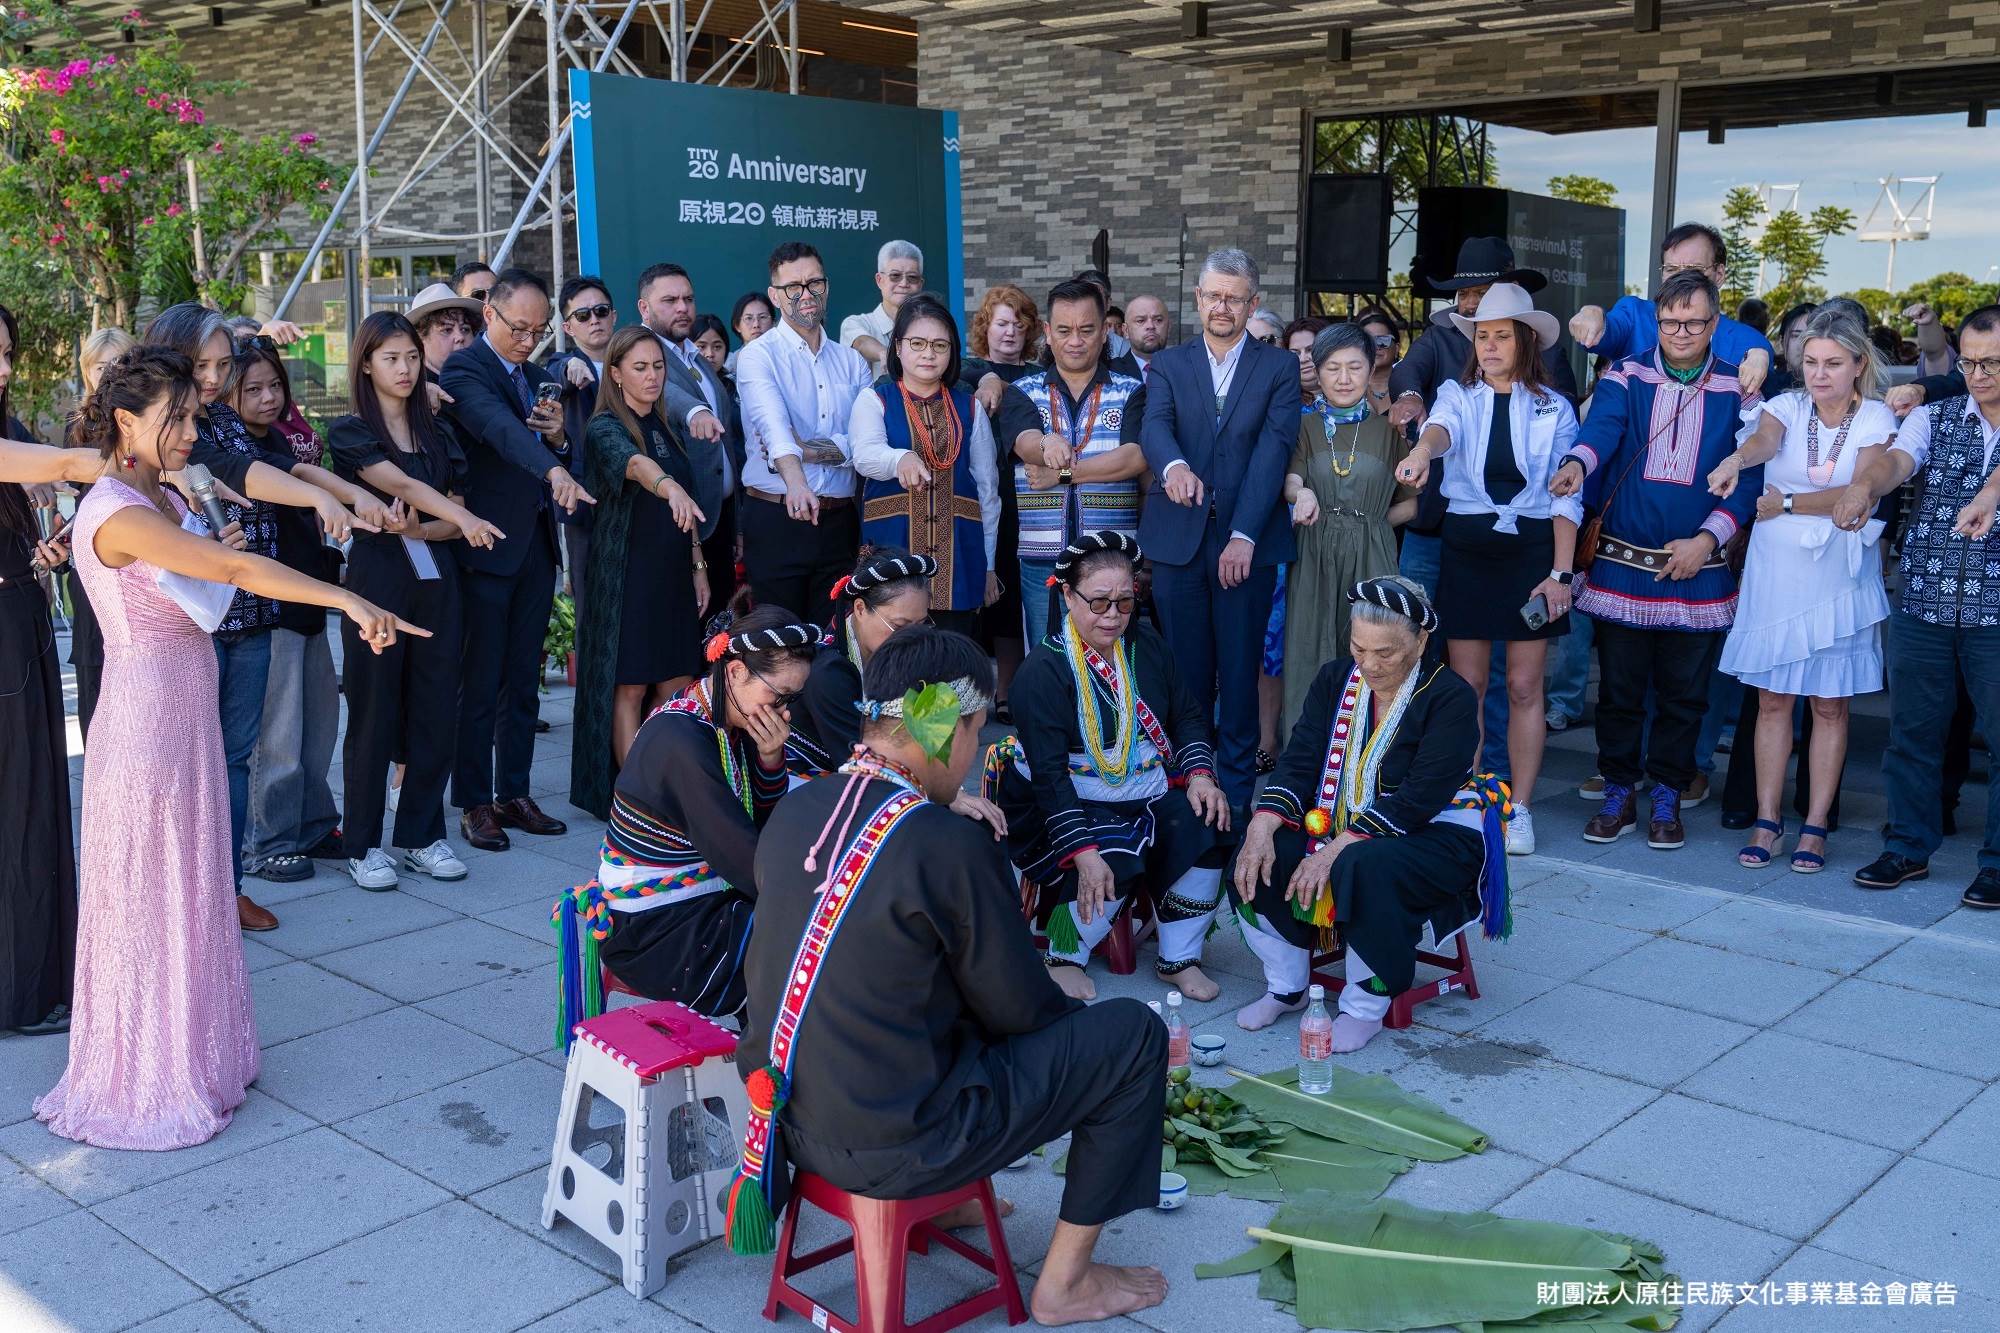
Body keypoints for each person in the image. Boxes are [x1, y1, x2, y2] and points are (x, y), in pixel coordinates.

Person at [729, 625, 1170, 1325]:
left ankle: (960, 1196)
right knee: (1132, 1036)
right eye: (976, 730)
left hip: (783, 1121)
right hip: (897, 1142)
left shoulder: (800, 807)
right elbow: (1019, 1011)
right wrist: (1073, 1027)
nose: (977, 751)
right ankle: (1065, 1284)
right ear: (946, 725)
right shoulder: (945, 841)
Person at [37, 345, 421, 1150]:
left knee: (195, 885)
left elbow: (210, 567)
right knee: (153, 897)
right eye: (175, 420)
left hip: (183, 711)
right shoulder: (119, 510)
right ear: (125, 423)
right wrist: (345, 594)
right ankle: (145, 1074)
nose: (189, 433)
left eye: (192, 417)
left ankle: (198, 1054)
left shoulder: (161, 492)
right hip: (145, 725)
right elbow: (227, 567)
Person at [145, 302, 375, 933]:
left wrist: (326, 490)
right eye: (205, 364)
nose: (216, 377)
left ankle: (228, 886)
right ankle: (186, 892)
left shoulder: (217, 416)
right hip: (185, 614)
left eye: (224, 363)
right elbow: (237, 473)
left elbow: (267, 463)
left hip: (245, 607)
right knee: (187, 762)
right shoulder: (155, 424)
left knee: (237, 756)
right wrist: (321, 493)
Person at [1231, 577, 1502, 1048]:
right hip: (1341, 821)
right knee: (1257, 849)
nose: (1370, 665)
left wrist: (1335, 849)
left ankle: (1365, 1002)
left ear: (1420, 642)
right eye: (1359, 649)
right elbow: (1299, 761)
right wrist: (1262, 821)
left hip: (1435, 834)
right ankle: (1287, 985)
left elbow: (1419, 797)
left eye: (1386, 653)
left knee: (1362, 862)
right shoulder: (1336, 678)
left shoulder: (1450, 697)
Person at [1552, 270, 1761, 850]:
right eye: (1671, 322)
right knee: (1618, 692)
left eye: (1694, 322)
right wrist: (1577, 465)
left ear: (1715, 323)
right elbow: (1602, 431)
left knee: (1684, 695)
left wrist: (1707, 541)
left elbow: (1749, 478)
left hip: (1700, 570)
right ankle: (1619, 790)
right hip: (1622, 564)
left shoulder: (1738, 391)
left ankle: (1668, 793)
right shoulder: (1626, 373)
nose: (1682, 333)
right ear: (1658, 320)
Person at [991, 531, 1234, 1002]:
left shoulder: (1146, 645)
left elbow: (1185, 713)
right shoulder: (1042, 671)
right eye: (1099, 603)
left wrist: (1201, 775)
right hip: (1060, 800)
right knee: (1112, 853)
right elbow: (1048, 776)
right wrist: (1081, 851)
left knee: (1206, 824)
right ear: (1066, 595)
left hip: (1141, 785)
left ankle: (1180, 956)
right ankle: (1063, 954)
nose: (1113, 616)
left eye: (1125, 603)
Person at [551, 607, 820, 1025]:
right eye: (780, 695)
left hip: (700, 901)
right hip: (654, 930)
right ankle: (769, 1070)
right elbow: (749, 864)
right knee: (807, 949)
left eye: (794, 699)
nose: (786, 712)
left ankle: (770, 1064)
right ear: (734, 673)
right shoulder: (681, 738)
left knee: (802, 931)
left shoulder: (727, 718)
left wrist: (770, 759)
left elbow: (757, 829)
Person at [1394, 283, 1581, 856]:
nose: (1490, 345)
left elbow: (1567, 497)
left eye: (1502, 335)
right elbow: (1440, 428)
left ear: (1526, 341)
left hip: (1530, 553)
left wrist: (1562, 575)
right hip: (1468, 549)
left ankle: (1518, 809)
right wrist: (1423, 452)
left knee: (1524, 686)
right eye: (1482, 335)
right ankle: (1467, 799)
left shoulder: (1556, 408)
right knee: (1466, 684)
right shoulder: (1459, 393)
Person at [1708, 311, 1894, 871]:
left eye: (1833, 363)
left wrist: (1783, 503)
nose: (1819, 373)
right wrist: (1738, 459)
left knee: (1831, 705)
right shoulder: (1785, 407)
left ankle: (1815, 825)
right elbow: (1767, 440)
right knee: (1771, 702)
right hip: (1777, 572)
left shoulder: (1878, 416)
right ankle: (1768, 820)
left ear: (1859, 365)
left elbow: (1855, 492)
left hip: (1838, 572)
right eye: (1811, 362)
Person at [1834, 304, 2000, 908]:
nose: (1978, 375)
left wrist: (1988, 492)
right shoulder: (1934, 416)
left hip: (1996, 612)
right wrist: (1864, 483)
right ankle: (1906, 846)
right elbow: (1897, 461)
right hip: (1926, 602)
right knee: (1913, 735)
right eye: (1971, 362)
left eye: (1992, 364)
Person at [329, 312, 502, 890]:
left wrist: (433, 527)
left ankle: (422, 836)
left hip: (436, 581)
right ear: (366, 364)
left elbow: (443, 519)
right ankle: (361, 845)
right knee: (374, 713)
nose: (403, 369)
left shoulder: (438, 431)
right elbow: (401, 486)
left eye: (409, 356)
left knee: (435, 711)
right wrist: (460, 516)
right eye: (390, 358)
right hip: (378, 583)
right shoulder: (350, 431)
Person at [1139, 247, 1299, 811]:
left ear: (1252, 302)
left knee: (1238, 676)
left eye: (1234, 297)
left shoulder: (1278, 368)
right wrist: (1174, 466)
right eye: (1212, 296)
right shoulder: (1170, 364)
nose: (1222, 307)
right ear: (1198, 300)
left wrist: (1245, 536)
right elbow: (1154, 426)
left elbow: (1272, 453)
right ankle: (1186, 793)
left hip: (1245, 544)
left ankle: (1232, 800)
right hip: (1177, 540)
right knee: (1184, 677)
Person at [439, 268, 593, 854]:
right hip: (485, 545)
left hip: (534, 544)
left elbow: (554, 444)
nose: (529, 341)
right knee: (481, 682)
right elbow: (499, 431)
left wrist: (558, 443)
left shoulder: (536, 376)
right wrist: (552, 466)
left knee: (525, 681)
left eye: (539, 330)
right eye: (519, 328)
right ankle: (475, 802)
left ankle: (515, 792)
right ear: (489, 316)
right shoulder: (465, 369)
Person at [569, 326, 711, 818]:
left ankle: (667, 784)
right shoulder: (606, 425)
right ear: (615, 374)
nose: (652, 377)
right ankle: (637, 801)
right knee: (629, 684)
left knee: (674, 684)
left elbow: (689, 507)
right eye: (639, 368)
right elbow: (632, 465)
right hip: (626, 573)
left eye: (657, 367)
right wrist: (667, 484)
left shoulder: (667, 424)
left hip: (672, 574)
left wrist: (698, 566)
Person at [1387, 238, 1578, 598]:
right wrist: (1411, 398)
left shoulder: (1547, 356)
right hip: (1434, 515)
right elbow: (1407, 372)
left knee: (1501, 641)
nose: (1471, 301)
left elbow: (1559, 427)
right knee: (1414, 623)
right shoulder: (1439, 336)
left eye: (1482, 291)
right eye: (1464, 292)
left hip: (1514, 525)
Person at [230, 339, 355, 885]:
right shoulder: (234, 452)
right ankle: (269, 841)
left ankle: (314, 822)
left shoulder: (288, 439)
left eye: (273, 385)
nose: (266, 397)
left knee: (318, 725)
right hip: (270, 606)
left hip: (311, 600)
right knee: (277, 734)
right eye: (252, 388)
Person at [0, 305, 82, 1037]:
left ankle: (34, 983)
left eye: (4, 354)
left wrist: (42, 548)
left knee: (32, 807)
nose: (0, 368)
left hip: (20, 619)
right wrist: (84, 459)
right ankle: (15, 995)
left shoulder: (14, 426)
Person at [1282, 323, 1416, 732]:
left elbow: (1410, 503)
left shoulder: (1390, 431)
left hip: (1373, 554)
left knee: (1376, 658)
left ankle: (1368, 765)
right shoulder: (1302, 426)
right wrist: (1301, 496)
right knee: (1309, 654)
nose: (1343, 378)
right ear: (1317, 373)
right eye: (1332, 368)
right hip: (1313, 554)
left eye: (1354, 367)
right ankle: (1307, 769)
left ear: (1371, 367)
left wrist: (1370, 526)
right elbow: (1292, 480)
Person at [734, 241, 873, 614]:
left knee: (833, 645)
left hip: (839, 523)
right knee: (781, 647)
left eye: (815, 283)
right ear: (775, 296)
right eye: (793, 287)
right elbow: (774, 428)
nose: (806, 294)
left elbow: (864, 444)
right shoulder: (757, 356)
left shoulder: (853, 363)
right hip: (778, 518)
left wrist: (809, 450)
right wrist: (797, 482)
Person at [850, 293, 1000, 637]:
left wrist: (989, 565)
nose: (928, 353)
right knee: (894, 663)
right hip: (892, 553)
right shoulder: (875, 399)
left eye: (940, 345)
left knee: (954, 668)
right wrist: (899, 457)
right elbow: (864, 454)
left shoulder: (971, 409)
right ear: (898, 347)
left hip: (959, 562)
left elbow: (988, 493)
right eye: (917, 343)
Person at [1012, 279, 1148, 647]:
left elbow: (1135, 457)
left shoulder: (1131, 390)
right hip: (1043, 559)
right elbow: (1023, 442)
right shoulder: (1024, 391)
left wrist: (1064, 474)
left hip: (1112, 559)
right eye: (1064, 330)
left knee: (1114, 659)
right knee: (1045, 658)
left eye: (1087, 330)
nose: (1075, 341)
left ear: (1105, 332)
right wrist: (1045, 442)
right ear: (1047, 333)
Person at [639, 262, 740, 616]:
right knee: (691, 627)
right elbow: (663, 392)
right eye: (670, 300)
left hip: (720, 517)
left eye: (688, 299)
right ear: (644, 308)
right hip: (680, 521)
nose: (682, 308)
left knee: (720, 627)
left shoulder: (693, 354)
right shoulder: (641, 352)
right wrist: (696, 411)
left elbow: (725, 444)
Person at [1568, 223, 1773, 392]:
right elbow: (1606, 331)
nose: (1682, 278)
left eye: (1694, 269)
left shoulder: (1743, 338)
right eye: (1672, 269)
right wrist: (1592, 316)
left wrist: (1759, 357)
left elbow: (1759, 351)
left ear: (1719, 274)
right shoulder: (1634, 315)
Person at [64, 327, 136, 745]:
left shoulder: (151, 421)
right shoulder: (79, 427)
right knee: (95, 677)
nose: (109, 374)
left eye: (119, 363)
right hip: (96, 561)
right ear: (87, 372)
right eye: (99, 366)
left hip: (144, 560)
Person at [547, 275, 619, 600]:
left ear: (614, 316)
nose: (594, 320)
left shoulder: (638, 364)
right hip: (587, 505)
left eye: (601, 311)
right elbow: (553, 376)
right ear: (568, 328)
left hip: (640, 500)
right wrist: (569, 367)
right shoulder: (562, 364)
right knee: (593, 610)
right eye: (583, 315)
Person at [840, 239, 924, 371]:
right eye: (895, 276)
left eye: (912, 277)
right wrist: (884, 353)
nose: (904, 283)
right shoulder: (856, 323)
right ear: (879, 280)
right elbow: (861, 342)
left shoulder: (930, 327)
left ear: (920, 284)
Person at [968, 284, 1041, 380]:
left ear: (1028, 332)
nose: (1010, 332)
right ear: (985, 327)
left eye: (1019, 325)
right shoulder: (965, 370)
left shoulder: (1041, 377)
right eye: (1002, 324)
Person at [1761, 302, 1819, 398]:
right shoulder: (1764, 387)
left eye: (1813, 336)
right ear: (1781, 342)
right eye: (1796, 335)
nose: (1804, 343)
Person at [1356, 308, 1401, 417]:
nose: (1375, 346)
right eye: (1368, 341)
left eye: (1383, 340)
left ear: (1397, 348)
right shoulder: (1346, 386)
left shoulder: (1409, 387)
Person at [1118, 295, 1170, 379]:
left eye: (1158, 320)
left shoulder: (1185, 369)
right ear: (1126, 330)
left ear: (1168, 327)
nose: (1150, 326)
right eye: (1140, 321)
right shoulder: (1111, 372)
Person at [728, 291, 777, 376]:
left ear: (773, 322)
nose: (756, 325)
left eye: (762, 317)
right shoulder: (730, 366)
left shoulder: (785, 357)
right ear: (737, 325)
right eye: (748, 318)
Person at [692, 314, 731, 386]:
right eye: (701, 347)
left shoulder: (735, 386)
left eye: (717, 347)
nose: (710, 354)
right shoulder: (682, 385)